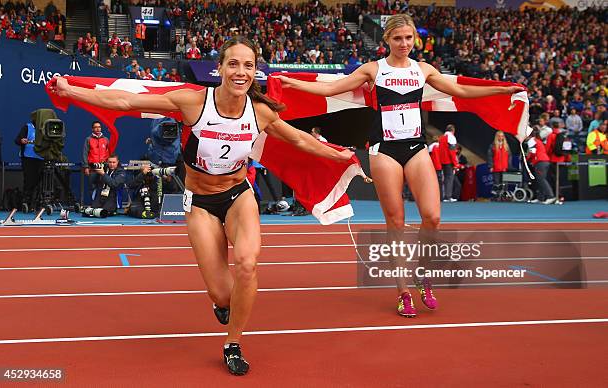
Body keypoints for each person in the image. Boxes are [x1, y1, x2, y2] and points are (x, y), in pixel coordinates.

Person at [50, 36, 352, 376]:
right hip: (201, 204)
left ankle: (232, 343)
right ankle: (223, 304)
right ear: (219, 68)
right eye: (233, 64)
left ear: (256, 71)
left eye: (248, 65)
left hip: (238, 195)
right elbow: (125, 100)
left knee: (248, 265)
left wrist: (339, 155)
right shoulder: (193, 102)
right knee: (224, 295)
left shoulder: (260, 112)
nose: (241, 71)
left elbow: (298, 139)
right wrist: (72, 92)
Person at [275, 13, 524, 318]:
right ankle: (403, 291)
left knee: (432, 217)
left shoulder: (424, 69)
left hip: (417, 148)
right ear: (387, 40)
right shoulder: (373, 69)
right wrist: (292, 82)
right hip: (385, 151)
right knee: (395, 222)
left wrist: (499, 90)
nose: (404, 43)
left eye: (408, 38)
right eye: (398, 38)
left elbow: (461, 92)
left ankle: (423, 275)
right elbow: (331, 89)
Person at [487, 130, 512, 195]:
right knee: (496, 182)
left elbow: (509, 156)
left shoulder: (506, 145)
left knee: (505, 182)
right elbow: (490, 156)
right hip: (496, 167)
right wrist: (491, 166)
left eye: (502, 136)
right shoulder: (493, 145)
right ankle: (497, 195)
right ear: (497, 137)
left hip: (504, 167)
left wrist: (509, 166)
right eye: (499, 136)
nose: (501, 137)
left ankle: (504, 194)